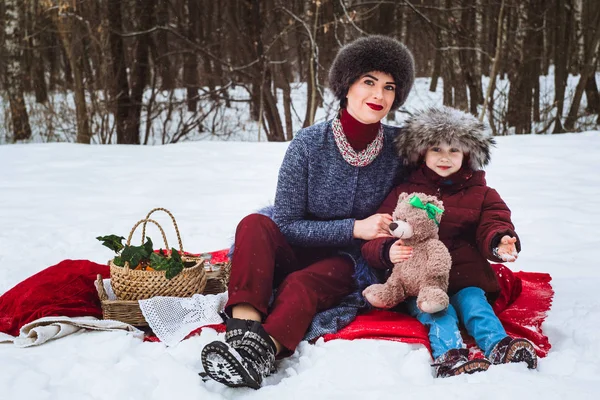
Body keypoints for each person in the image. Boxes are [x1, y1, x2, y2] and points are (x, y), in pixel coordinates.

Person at [200, 35, 415, 389]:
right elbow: (285, 223)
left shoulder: (400, 148)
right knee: (254, 224)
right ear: (347, 86)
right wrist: (355, 226)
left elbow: (448, 174)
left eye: (390, 87)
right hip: (295, 243)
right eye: (369, 82)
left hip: (348, 261)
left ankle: (262, 351)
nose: (379, 95)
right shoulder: (308, 144)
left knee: (304, 283)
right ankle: (242, 329)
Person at [361, 106, 538, 378]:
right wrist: (387, 250)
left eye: (454, 150)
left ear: (467, 153)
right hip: (419, 281)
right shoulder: (404, 192)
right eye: (436, 149)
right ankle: (450, 355)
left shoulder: (481, 193)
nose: (445, 157)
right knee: (437, 312)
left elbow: (494, 220)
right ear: (422, 152)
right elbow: (382, 230)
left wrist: (499, 240)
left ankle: (499, 345)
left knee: (474, 304)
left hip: (466, 275)